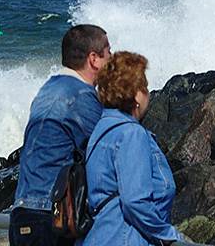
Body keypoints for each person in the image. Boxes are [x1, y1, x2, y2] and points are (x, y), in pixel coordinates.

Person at [11, 24, 111, 246]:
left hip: (24, 211)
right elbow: (109, 146)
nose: (111, 61)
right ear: (94, 59)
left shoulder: (48, 89)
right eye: (108, 53)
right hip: (51, 217)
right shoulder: (80, 96)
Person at [85, 51, 184, 246]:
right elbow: (135, 201)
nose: (148, 93)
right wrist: (167, 234)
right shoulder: (131, 134)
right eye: (145, 87)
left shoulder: (101, 128)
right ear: (136, 95)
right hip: (124, 239)